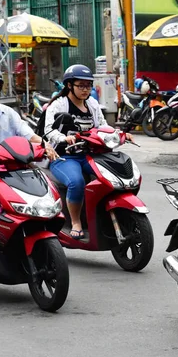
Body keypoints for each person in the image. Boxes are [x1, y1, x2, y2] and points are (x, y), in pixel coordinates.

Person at [0, 64, 59, 273]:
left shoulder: (8, 113)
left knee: (43, 184)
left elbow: (27, 133)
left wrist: (45, 144)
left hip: (11, 169)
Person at [43, 64, 133, 240]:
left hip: (91, 155)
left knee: (116, 176)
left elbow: (102, 126)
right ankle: (76, 222)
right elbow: (48, 131)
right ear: (70, 85)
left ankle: (107, 213)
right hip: (64, 157)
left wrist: (119, 133)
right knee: (76, 182)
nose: (85, 90)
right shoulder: (59, 104)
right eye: (81, 85)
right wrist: (63, 138)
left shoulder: (92, 103)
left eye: (88, 85)